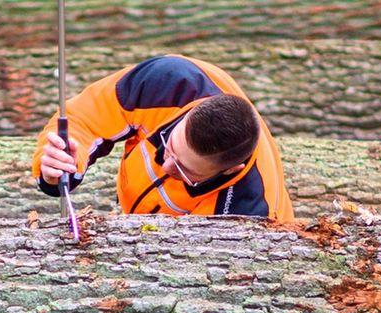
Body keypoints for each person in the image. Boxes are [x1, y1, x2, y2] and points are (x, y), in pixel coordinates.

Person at [33, 55, 293, 221]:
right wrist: (62, 164)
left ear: (230, 170)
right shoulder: (169, 83)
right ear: (189, 113)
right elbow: (82, 117)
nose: (166, 166)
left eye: (185, 171)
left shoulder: (248, 215)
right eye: (169, 148)